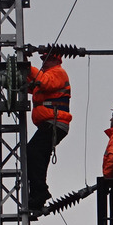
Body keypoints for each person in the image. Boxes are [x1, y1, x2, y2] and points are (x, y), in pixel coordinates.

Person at [26, 53, 71, 213]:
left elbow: (43, 82)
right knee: (38, 155)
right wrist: (23, 73)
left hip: (54, 123)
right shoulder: (47, 75)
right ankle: (38, 193)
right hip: (51, 123)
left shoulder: (58, 73)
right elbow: (33, 86)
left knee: (33, 152)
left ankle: (39, 192)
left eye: (46, 59)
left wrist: (27, 67)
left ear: (55, 60)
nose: (43, 62)